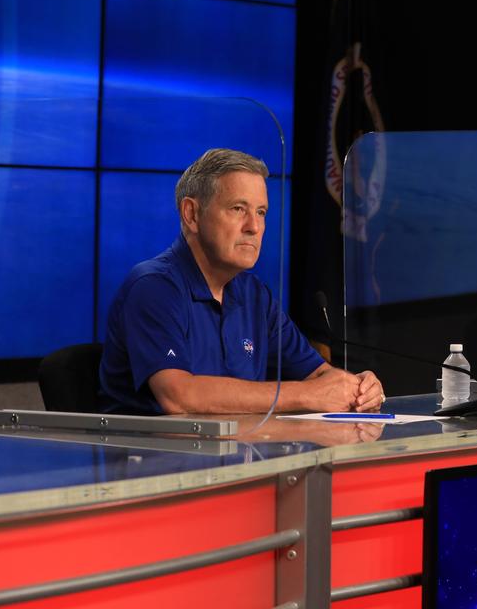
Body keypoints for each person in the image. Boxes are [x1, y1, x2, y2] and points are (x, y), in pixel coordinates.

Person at [99, 148, 386, 415]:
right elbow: (179, 396)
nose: (255, 227)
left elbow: (320, 376)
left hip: (236, 461)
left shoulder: (255, 296)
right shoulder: (153, 287)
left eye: (261, 212)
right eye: (238, 209)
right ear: (192, 214)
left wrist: (359, 388)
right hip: (152, 464)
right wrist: (304, 395)